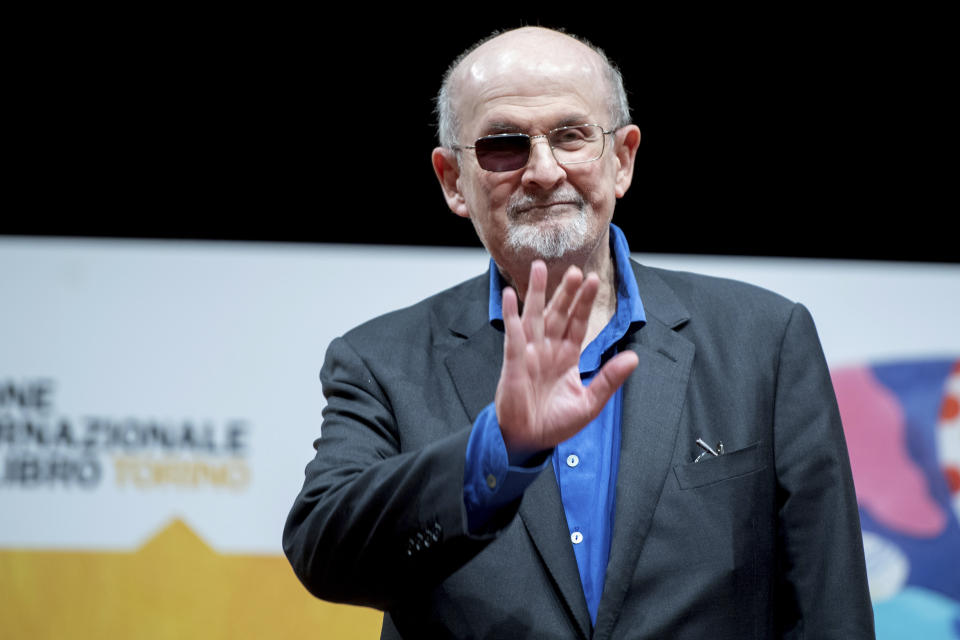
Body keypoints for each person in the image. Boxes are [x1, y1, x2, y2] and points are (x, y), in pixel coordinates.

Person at [283, 26, 875, 639]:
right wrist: (499, 450)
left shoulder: (765, 341)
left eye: (570, 136)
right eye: (504, 145)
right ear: (453, 181)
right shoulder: (380, 361)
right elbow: (324, 552)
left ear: (622, 159)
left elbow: (833, 612)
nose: (543, 171)